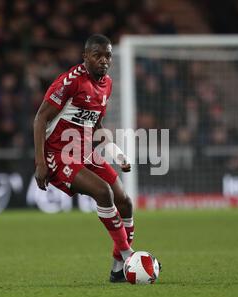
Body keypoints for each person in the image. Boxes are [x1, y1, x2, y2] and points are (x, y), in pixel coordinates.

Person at [33, 34, 153, 283]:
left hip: (85, 150)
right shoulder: (70, 82)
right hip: (59, 154)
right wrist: (41, 163)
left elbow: (95, 122)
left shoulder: (107, 84)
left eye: (107, 55)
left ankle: (118, 268)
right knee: (103, 192)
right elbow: (40, 118)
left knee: (125, 202)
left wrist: (117, 154)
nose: (104, 60)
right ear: (85, 57)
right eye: (97, 55)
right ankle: (129, 254)